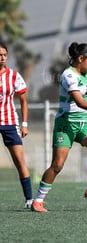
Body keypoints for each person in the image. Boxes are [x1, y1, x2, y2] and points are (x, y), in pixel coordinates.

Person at [31, 42, 87, 213]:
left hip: (85, 124)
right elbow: (79, 101)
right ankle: (38, 200)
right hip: (66, 125)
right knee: (57, 165)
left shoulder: (85, 73)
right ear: (80, 59)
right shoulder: (68, 75)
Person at [0, 42, 33, 209]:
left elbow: (23, 100)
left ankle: (29, 200)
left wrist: (24, 124)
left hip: (9, 122)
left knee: (20, 161)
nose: (2, 58)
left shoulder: (14, 76)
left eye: (4, 55)